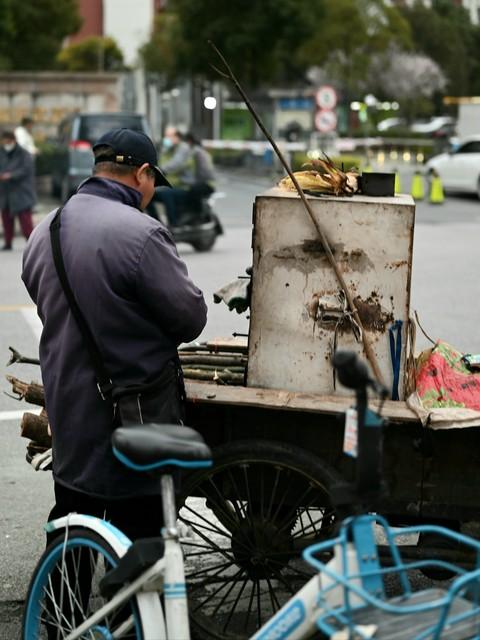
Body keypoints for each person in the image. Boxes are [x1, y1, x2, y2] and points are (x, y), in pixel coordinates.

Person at [22, 128, 208, 547]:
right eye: (152, 183)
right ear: (142, 173)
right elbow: (189, 318)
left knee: (72, 526)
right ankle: (138, 613)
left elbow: (44, 298)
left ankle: (56, 613)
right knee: (142, 545)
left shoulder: (44, 230)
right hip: (132, 418)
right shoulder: (142, 233)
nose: (151, 193)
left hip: (69, 414)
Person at [154, 128, 216, 227]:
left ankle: (176, 223)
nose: (167, 139)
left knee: (169, 194)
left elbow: (178, 164)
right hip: (187, 183)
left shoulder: (194, 152)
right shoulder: (171, 150)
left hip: (201, 183)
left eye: (169, 136)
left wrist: (163, 170)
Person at [0, 130, 36, 250]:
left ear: (13, 140)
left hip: (21, 192)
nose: (6, 144)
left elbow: (26, 170)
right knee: (6, 220)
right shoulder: (2, 152)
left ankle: (32, 245)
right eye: (4, 141)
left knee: (26, 222)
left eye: (8, 141)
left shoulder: (24, 154)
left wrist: (11, 175)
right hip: (6, 192)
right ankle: (8, 243)